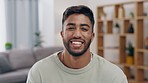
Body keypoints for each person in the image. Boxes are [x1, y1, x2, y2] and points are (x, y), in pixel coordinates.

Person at [27, 5, 128, 83]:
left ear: (92, 36)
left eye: (84, 29)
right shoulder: (39, 72)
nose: (77, 34)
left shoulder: (114, 76)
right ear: (62, 34)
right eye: (71, 28)